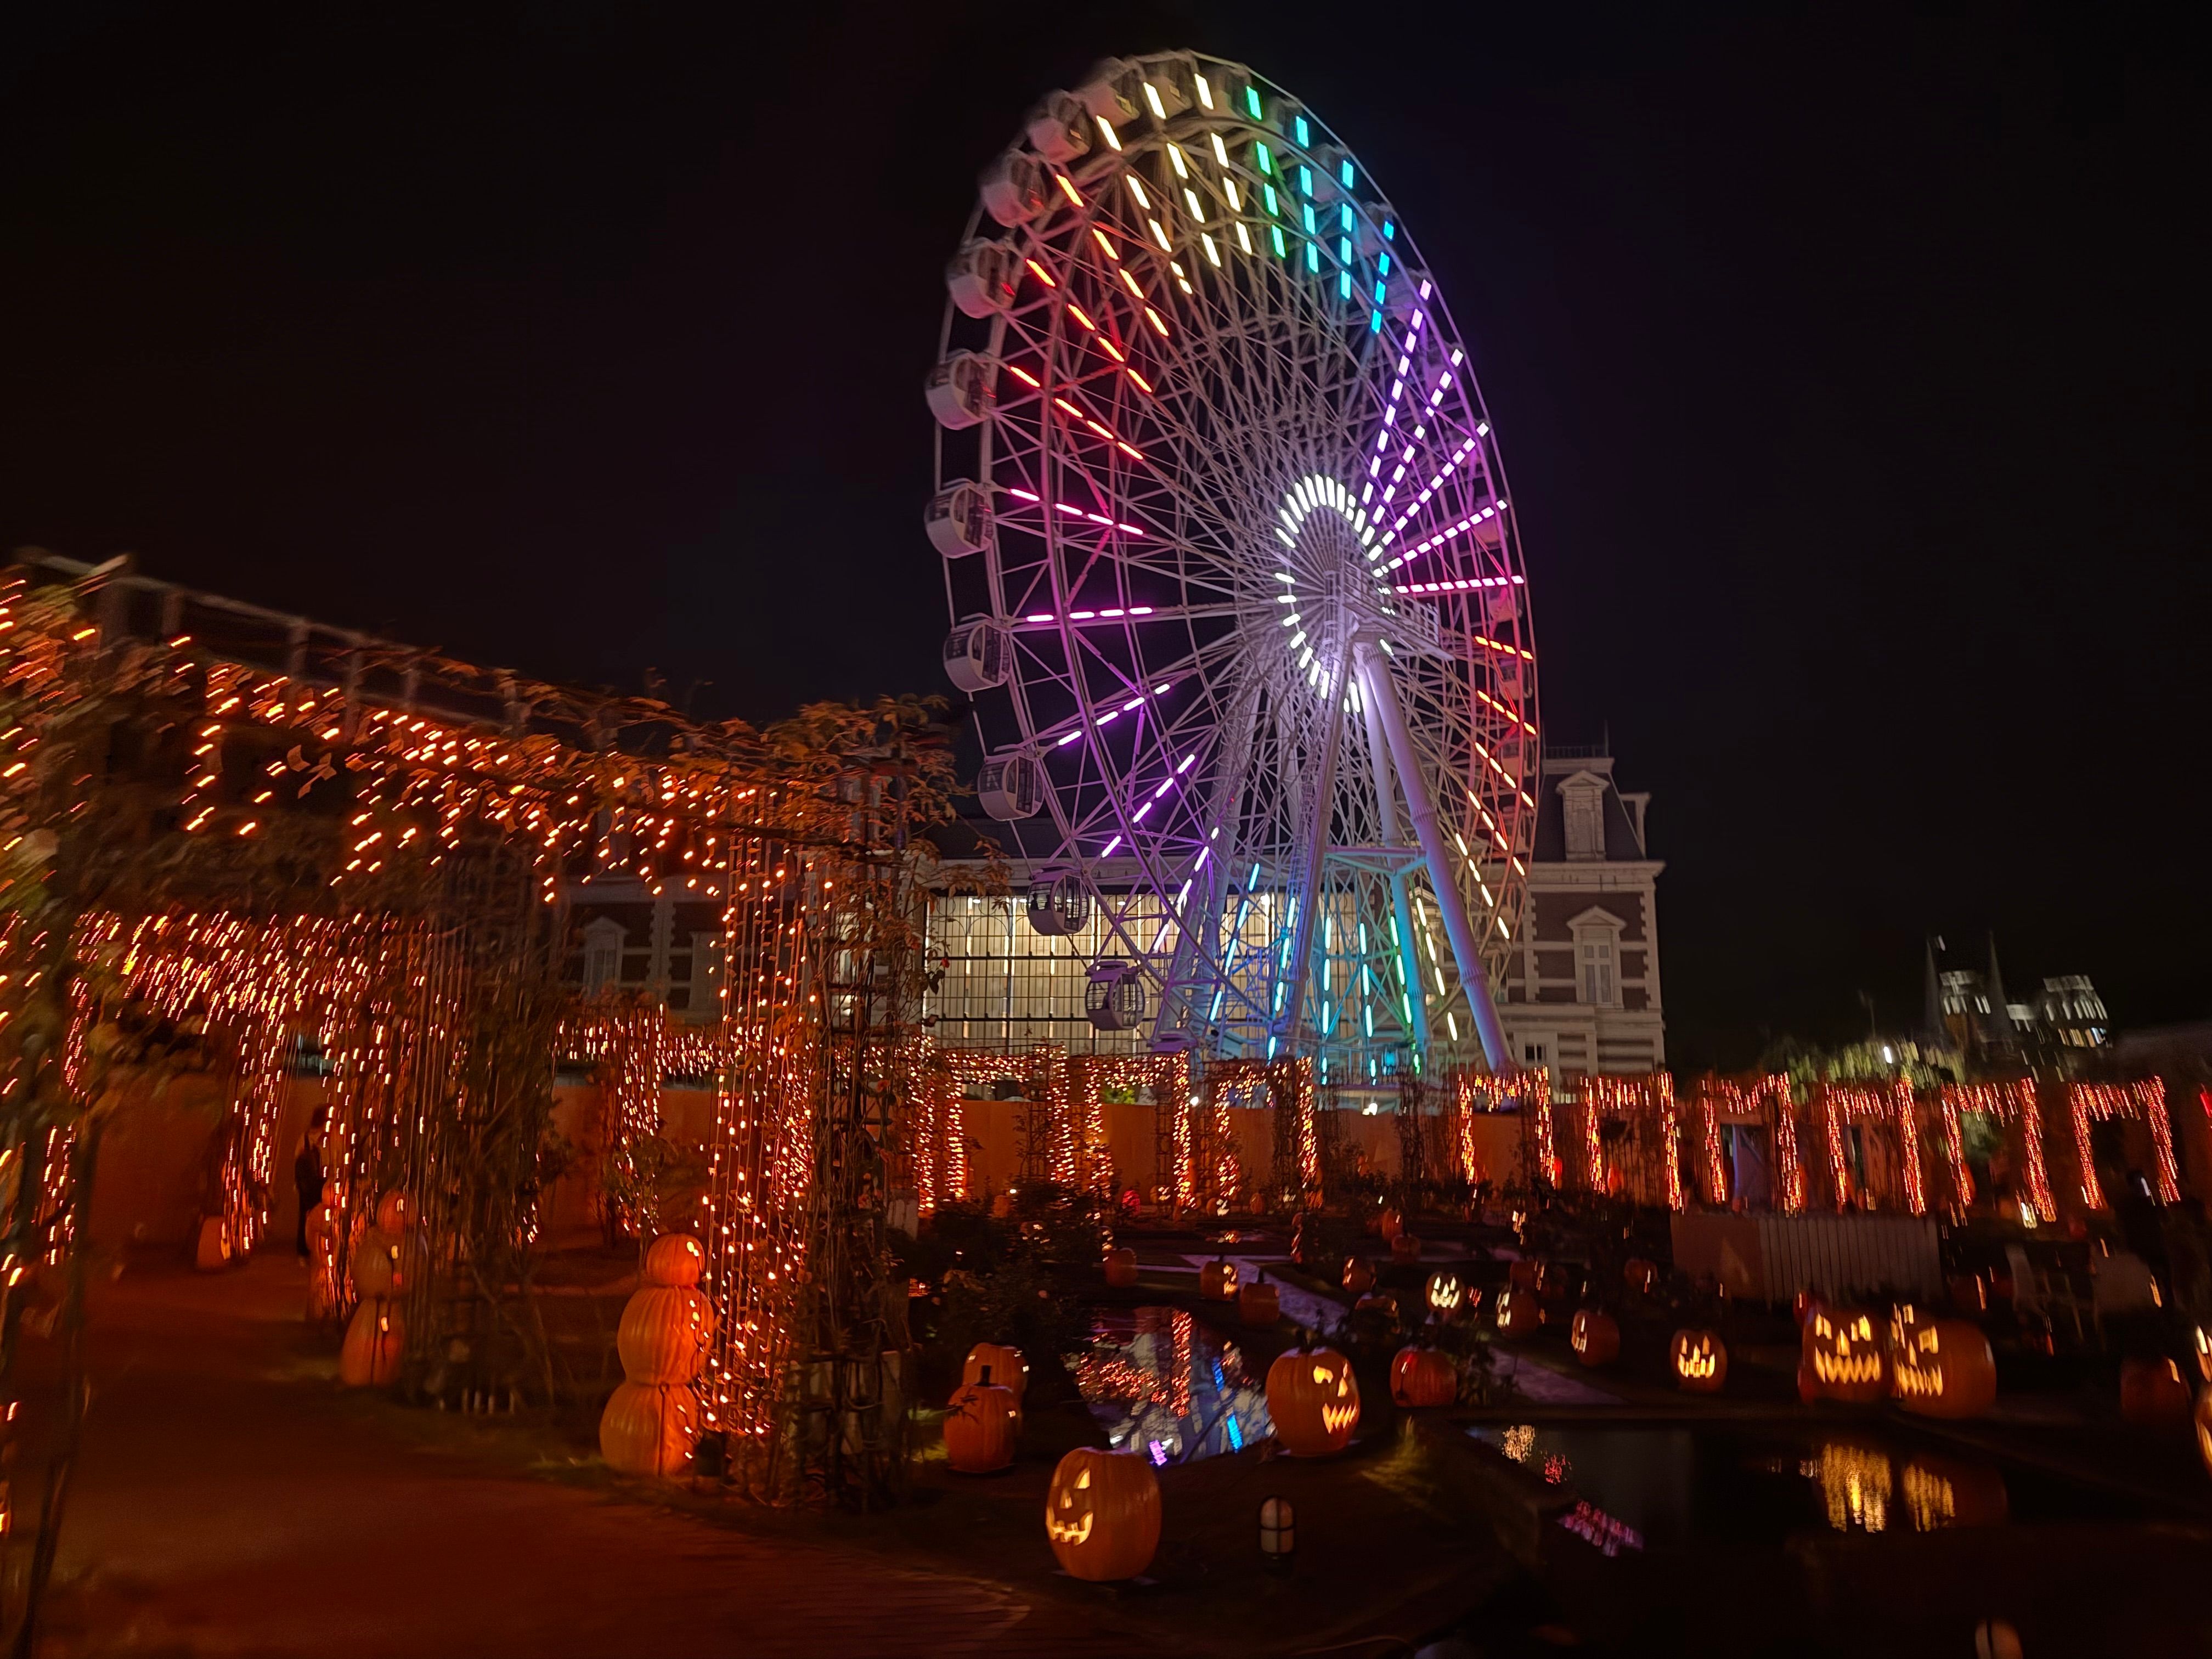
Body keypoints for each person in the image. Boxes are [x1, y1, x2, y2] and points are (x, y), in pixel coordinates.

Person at [294, 1107, 328, 1257]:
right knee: (316, 1214)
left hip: (307, 1184)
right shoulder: (324, 1138)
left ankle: (307, 1247)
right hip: (317, 1181)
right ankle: (311, 1245)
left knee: (306, 1214)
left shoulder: (305, 1137)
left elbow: (297, 1159)